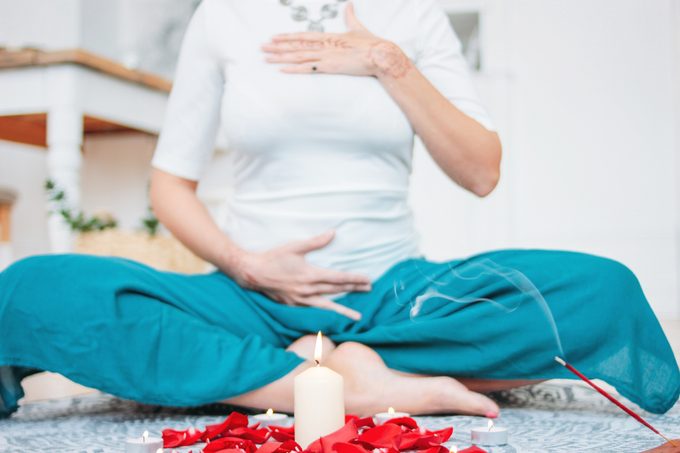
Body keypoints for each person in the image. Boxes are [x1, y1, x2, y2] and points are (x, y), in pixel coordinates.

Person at [1, 0, 678, 419]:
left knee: (602, 290)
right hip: (246, 297)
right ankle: (341, 382)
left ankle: (285, 371)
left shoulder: (413, 19)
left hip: (401, 297)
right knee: (29, 289)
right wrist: (246, 264)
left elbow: (481, 172)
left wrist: (389, 63)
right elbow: (168, 187)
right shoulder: (223, 16)